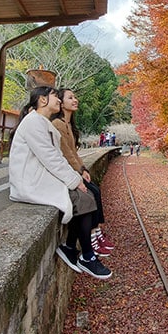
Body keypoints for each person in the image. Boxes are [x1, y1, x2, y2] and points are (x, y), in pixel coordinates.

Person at [9, 86, 111, 280]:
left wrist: (76, 179)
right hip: (30, 181)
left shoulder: (42, 122)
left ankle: (72, 248)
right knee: (84, 197)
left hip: (39, 176)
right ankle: (86, 256)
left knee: (85, 196)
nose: (58, 100)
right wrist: (75, 180)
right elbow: (51, 158)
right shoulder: (34, 123)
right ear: (42, 100)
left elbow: (55, 157)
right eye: (55, 96)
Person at [53, 88, 116, 257]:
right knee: (90, 193)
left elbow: (74, 152)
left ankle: (96, 232)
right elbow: (66, 152)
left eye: (75, 97)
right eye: (70, 98)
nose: (75, 100)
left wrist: (84, 168)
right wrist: (80, 170)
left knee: (94, 189)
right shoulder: (58, 124)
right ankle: (93, 236)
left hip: (72, 170)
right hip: (65, 172)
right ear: (61, 103)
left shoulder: (67, 124)